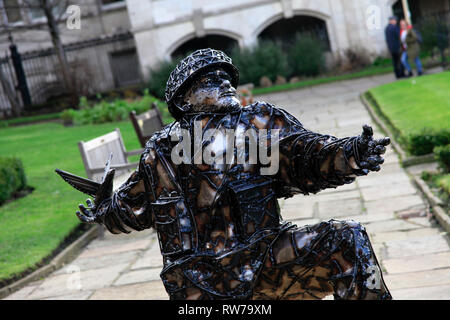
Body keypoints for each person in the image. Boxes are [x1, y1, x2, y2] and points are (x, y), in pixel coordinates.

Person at [58, 49, 392, 300]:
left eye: (225, 77)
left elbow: (305, 154)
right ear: (184, 100)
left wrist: (352, 153)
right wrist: (104, 210)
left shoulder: (259, 122)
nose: (223, 83)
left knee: (348, 237)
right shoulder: (162, 150)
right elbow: (133, 208)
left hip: (266, 261)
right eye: (209, 81)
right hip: (203, 283)